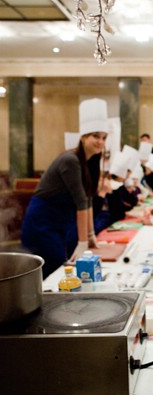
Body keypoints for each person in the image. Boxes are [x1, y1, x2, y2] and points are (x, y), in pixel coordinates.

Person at [21, 98, 109, 278]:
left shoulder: (90, 162)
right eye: (95, 136)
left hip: (60, 224)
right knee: (52, 273)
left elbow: (88, 199)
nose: (100, 142)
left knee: (60, 272)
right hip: (42, 223)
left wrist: (90, 235)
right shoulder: (70, 160)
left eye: (103, 138)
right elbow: (81, 202)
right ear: (83, 137)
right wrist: (83, 242)